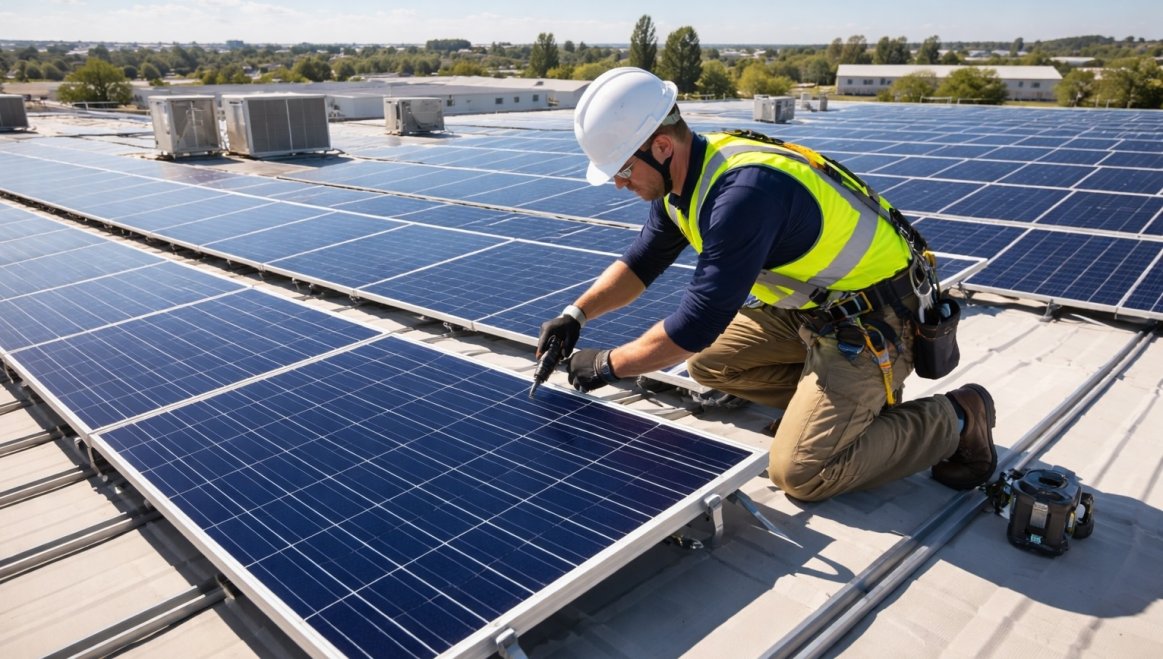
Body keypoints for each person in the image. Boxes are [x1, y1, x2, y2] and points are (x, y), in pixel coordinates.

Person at [536, 67, 997, 502]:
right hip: (813, 313)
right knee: (709, 366)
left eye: (622, 170)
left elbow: (695, 325)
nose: (619, 185)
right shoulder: (685, 179)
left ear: (660, 147)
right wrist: (576, 315)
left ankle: (957, 416)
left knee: (800, 472)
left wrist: (609, 365)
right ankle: (832, 408)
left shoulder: (742, 195)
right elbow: (641, 263)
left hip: (876, 323)